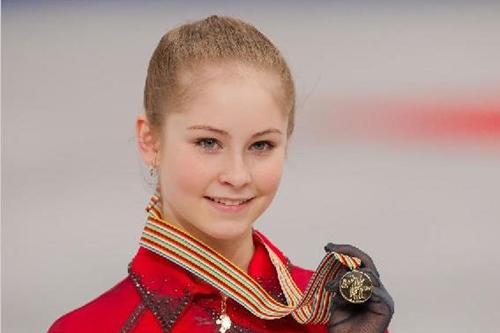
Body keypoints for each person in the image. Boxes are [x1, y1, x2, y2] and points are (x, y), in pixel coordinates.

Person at [47, 15, 394, 333]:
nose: (237, 175)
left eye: (261, 146)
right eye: (208, 142)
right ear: (150, 141)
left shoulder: (327, 313)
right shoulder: (89, 327)